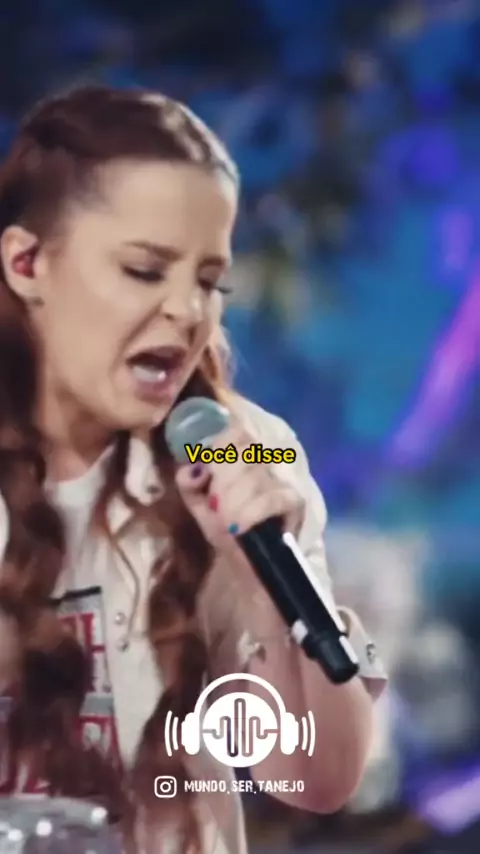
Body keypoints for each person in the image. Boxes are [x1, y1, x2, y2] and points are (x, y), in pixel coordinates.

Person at [0, 85, 386, 854]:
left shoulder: (248, 451)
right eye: (146, 270)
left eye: (210, 282)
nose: (188, 310)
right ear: (27, 263)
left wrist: (263, 584)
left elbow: (318, 779)